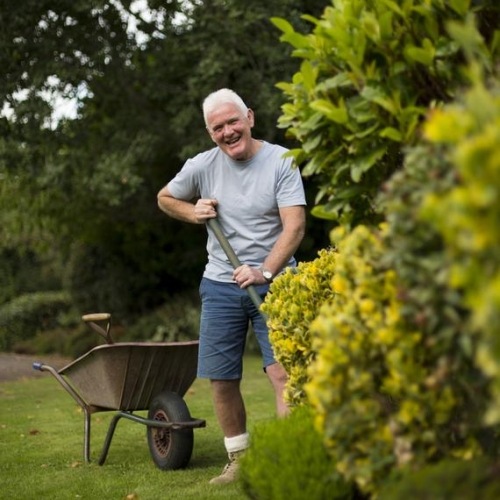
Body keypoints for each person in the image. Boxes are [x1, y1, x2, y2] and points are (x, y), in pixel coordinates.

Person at [157, 88, 306, 484]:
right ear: (210, 133)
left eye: (232, 122)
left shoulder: (280, 161)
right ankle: (238, 459)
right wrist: (193, 211)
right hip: (220, 285)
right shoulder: (201, 166)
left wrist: (265, 271)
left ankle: (286, 456)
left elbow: (294, 226)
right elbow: (165, 197)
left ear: (250, 118)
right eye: (217, 127)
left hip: (276, 285)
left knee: (283, 374)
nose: (227, 131)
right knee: (222, 377)